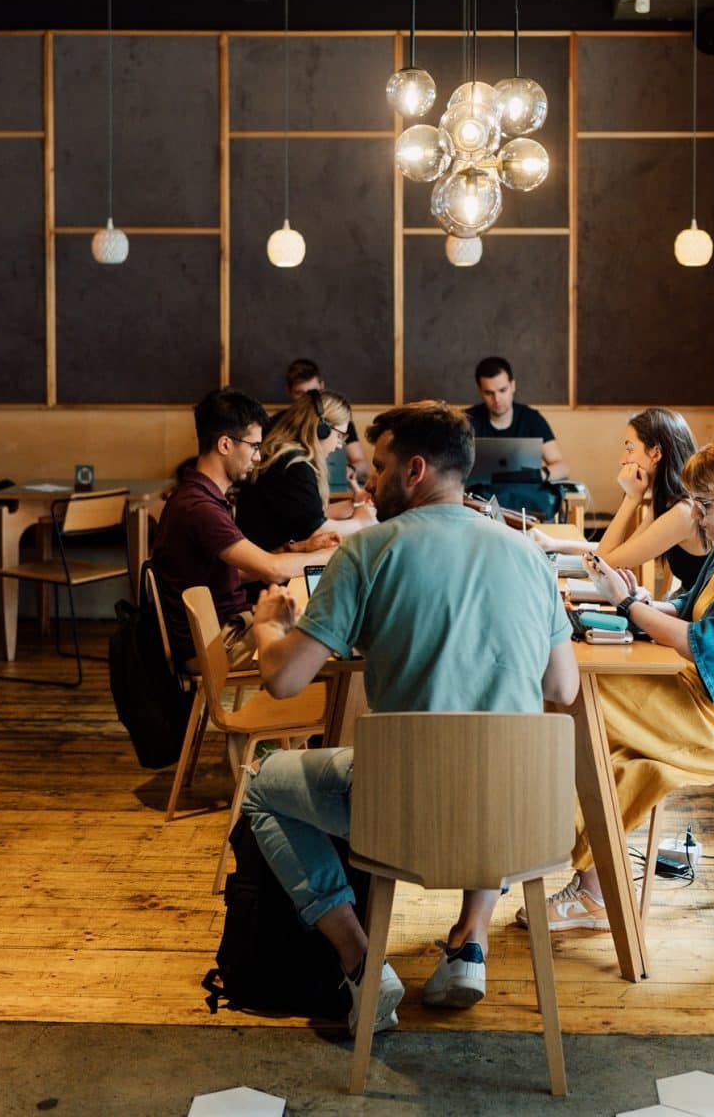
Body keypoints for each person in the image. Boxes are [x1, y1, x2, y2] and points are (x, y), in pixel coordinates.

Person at [241, 401, 579, 1034]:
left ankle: (361, 962)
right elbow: (562, 686)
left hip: (401, 818)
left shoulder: (368, 553)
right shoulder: (532, 558)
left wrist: (267, 627)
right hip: (519, 822)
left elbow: (284, 680)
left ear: (416, 470)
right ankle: (470, 944)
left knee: (261, 785)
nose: (367, 483)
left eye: (382, 468)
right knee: (490, 748)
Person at [521, 433, 714, 933]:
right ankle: (593, 889)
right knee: (617, 751)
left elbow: (709, 645)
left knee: (585, 697)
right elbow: (687, 609)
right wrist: (634, 600)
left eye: (704, 504)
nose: (697, 515)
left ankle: (549, 851)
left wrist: (629, 608)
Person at [149, 387, 339, 673]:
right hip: (217, 643)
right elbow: (272, 570)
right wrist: (339, 555)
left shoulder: (202, 496)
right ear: (225, 445)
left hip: (227, 628)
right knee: (329, 634)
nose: (259, 457)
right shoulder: (199, 507)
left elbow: (233, 572)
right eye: (253, 446)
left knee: (324, 624)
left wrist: (296, 549)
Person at [532, 407, 707, 592]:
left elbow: (603, 564)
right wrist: (554, 544)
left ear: (655, 453)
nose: (623, 460)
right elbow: (620, 550)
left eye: (630, 449)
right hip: (685, 608)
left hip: (697, 617)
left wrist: (632, 498)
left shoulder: (683, 513)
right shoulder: (668, 502)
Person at [235, 389, 377, 555]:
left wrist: (355, 504)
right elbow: (317, 531)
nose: (340, 445)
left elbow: (308, 515)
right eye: (339, 436)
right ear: (321, 429)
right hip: (265, 568)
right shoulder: (293, 465)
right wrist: (361, 522)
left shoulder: (286, 456)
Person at [268, 358, 370, 484]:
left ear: (322, 387)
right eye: (300, 394)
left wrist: (350, 469)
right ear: (289, 392)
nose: (308, 399)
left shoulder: (338, 422)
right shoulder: (276, 424)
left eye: (313, 393)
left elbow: (363, 465)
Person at [466, 356, 568, 480]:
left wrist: (535, 476)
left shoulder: (532, 419)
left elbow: (562, 467)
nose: (497, 399)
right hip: (477, 495)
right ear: (480, 392)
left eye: (502, 390)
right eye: (489, 393)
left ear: (513, 385)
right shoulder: (466, 421)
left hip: (523, 495)